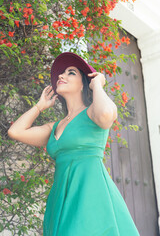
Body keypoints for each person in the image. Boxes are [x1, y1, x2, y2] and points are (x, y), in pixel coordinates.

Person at [8, 52, 140, 236]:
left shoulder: (93, 112)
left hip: (90, 194)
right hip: (61, 199)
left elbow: (107, 115)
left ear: (83, 84)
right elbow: (15, 132)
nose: (61, 76)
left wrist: (98, 86)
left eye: (71, 73)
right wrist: (39, 107)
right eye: (62, 73)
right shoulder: (53, 127)